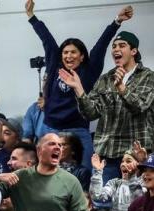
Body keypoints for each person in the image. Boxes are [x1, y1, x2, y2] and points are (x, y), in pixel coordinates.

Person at [26, 1, 131, 168]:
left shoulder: (89, 70)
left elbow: (102, 44)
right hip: (51, 129)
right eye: (65, 52)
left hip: (78, 130)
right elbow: (46, 38)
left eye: (73, 52)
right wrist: (32, 17)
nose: (68, 56)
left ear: (82, 56)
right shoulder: (55, 66)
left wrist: (117, 21)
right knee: (47, 171)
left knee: (87, 171)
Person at [62, 30, 154, 183]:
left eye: (122, 45)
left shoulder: (149, 77)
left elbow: (139, 106)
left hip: (138, 156)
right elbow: (90, 113)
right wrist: (78, 89)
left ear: (133, 51)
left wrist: (122, 89)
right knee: (103, 202)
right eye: (114, 46)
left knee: (136, 203)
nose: (116, 49)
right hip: (108, 154)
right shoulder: (105, 79)